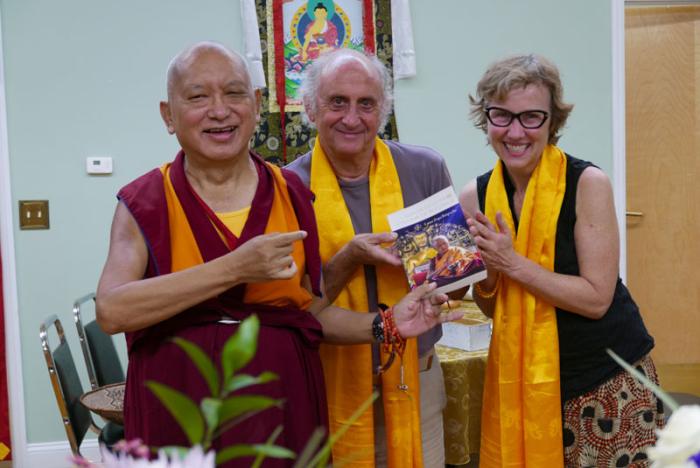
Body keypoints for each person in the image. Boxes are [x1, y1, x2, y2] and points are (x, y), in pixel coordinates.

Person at [95, 41, 458, 466]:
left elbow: (307, 310)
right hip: (179, 408)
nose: (219, 110)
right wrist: (233, 268)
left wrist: (387, 325)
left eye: (233, 94)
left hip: (283, 406)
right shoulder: (146, 200)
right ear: (168, 115)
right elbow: (112, 311)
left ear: (256, 104)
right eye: (198, 97)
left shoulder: (289, 192)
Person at [459, 54, 663, 467]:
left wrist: (511, 262)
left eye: (531, 117)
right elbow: (490, 306)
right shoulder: (474, 197)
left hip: (605, 382)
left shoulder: (587, 183)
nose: (515, 132)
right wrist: (490, 274)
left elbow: (595, 299)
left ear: (553, 122)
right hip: (521, 389)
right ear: (486, 118)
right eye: (502, 115)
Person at [286, 48, 456, 467]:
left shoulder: (425, 168)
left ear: (383, 111)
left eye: (366, 104)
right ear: (309, 108)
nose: (351, 117)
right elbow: (294, 307)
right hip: (327, 384)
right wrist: (348, 259)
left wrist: (454, 267)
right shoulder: (286, 186)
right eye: (337, 102)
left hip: (415, 376)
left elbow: (457, 280)